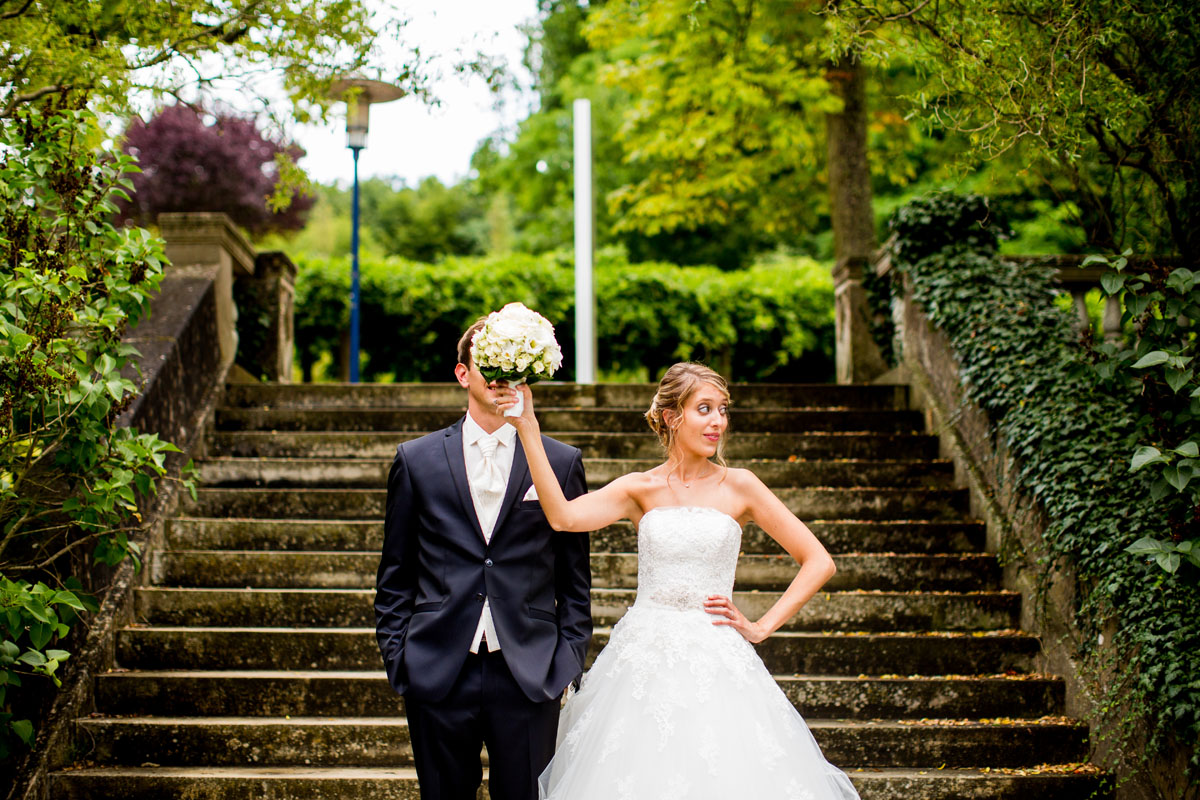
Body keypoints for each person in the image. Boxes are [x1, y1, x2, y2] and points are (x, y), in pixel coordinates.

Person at [497, 361, 861, 800]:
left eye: (723, 410)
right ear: (672, 417)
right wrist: (529, 430)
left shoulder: (741, 486)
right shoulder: (640, 488)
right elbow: (563, 516)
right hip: (641, 661)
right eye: (704, 409)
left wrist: (761, 627)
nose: (718, 422)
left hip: (718, 660)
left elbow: (818, 561)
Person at [374, 317, 593, 800]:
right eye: (486, 364)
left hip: (529, 671)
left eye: (508, 365)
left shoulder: (560, 462)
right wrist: (401, 658)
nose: (498, 376)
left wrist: (566, 664)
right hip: (436, 668)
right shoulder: (417, 459)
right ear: (461, 373)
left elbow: (575, 580)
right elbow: (395, 574)